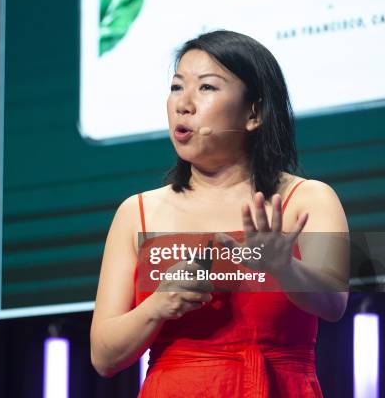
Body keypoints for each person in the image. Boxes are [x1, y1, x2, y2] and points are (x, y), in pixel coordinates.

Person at [90, 30, 349, 397]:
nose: (183, 104)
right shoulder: (137, 213)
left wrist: (283, 267)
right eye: (177, 86)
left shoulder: (308, 199)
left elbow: (334, 304)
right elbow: (103, 356)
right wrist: (158, 305)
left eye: (207, 88)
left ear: (254, 113)